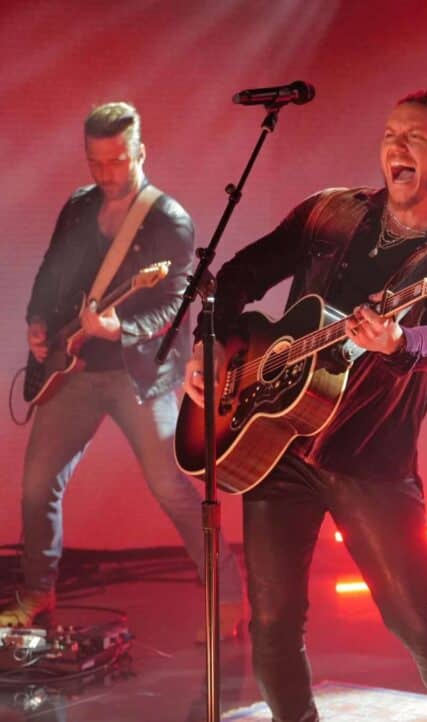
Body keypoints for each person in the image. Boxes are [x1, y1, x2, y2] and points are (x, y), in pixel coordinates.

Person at [184, 90, 427, 722]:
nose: (397, 145)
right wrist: (209, 342)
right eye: (390, 132)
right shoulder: (330, 212)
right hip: (274, 442)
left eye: (416, 137)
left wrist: (397, 339)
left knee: (415, 621)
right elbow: (243, 272)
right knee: (271, 618)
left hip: (370, 459)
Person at [2, 102, 245, 635]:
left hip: (142, 376)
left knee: (173, 490)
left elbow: (174, 305)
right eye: (96, 163)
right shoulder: (78, 205)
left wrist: (122, 330)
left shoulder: (168, 220)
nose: (107, 175)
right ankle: (38, 594)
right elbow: (51, 270)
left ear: (141, 153)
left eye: (117, 162)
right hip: (75, 368)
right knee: (37, 485)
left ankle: (227, 597)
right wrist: (38, 321)